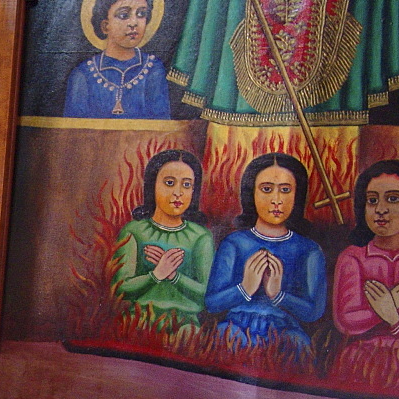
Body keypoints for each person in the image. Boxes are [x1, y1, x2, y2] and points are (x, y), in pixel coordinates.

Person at [204, 152, 327, 350]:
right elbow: (212, 303)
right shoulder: (235, 243)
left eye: (285, 190)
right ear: (251, 193)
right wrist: (245, 288)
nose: (276, 200)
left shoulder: (309, 250)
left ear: (297, 195)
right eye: (267, 189)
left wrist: (278, 295)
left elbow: (313, 311)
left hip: (286, 334)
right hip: (235, 330)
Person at [111, 149, 213, 331]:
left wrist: (174, 276)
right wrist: (156, 275)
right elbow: (121, 288)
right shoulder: (134, 231)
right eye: (169, 183)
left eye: (187, 185)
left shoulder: (200, 236)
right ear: (152, 186)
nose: (178, 193)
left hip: (185, 324)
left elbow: (207, 294)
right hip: (139, 319)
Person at [332, 159, 399, 370]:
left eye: (393, 199)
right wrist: (386, 306)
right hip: (361, 357)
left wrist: (393, 318)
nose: (380, 209)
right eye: (372, 200)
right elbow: (346, 321)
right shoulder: (353, 257)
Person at [63, 0, 171, 119]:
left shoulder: (153, 69)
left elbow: (161, 128)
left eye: (141, 14)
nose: (134, 23)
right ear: (105, 26)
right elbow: (73, 131)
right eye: (124, 15)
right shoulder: (83, 74)